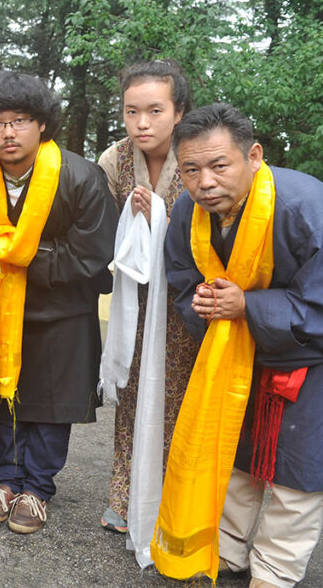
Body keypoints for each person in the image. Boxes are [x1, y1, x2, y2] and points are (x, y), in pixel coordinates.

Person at [155, 103, 323, 588]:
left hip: (316, 359)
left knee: (295, 479)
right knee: (234, 462)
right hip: (235, 353)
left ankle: (275, 574)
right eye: (191, 170)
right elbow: (181, 283)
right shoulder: (185, 212)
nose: (205, 183)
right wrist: (207, 304)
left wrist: (248, 308)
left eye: (220, 165)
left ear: (253, 156)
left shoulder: (307, 206)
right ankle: (229, 552)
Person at [0, 71, 116, 534]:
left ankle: (38, 488)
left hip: (60, 311)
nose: (8, 132)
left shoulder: (80, 177)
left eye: (20, 120)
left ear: (42, 124)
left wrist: (12, 257)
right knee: (2, 398)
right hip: (0, 310)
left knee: (49, 404)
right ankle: (5, 479)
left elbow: (92, 255)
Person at [95, 60, 200, 545]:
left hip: (187, 301)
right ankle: (124, 490)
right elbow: (100, 230)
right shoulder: (114, 161)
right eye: (132, 111)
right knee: (133, 391)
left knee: (181, 395)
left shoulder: (199, 155)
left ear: (178, 112)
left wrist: (161, 216)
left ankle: (176, 497)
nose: (142, 123)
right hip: (135, 299)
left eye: (155, 111)